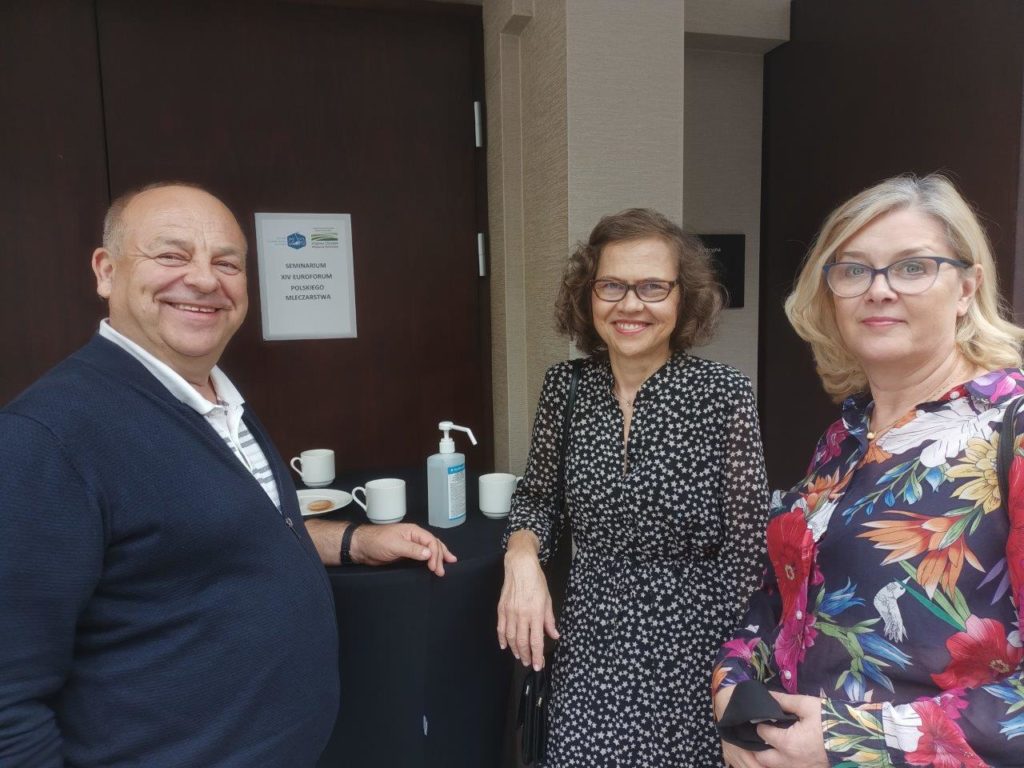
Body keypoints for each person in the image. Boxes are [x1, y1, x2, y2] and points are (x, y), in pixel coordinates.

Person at [0, 181, 455, 767]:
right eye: (172, 254)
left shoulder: (217, 399)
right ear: (106, 271)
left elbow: (214, 536)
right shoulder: (47, 437)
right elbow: (9, 701)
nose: (203, 280)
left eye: (227, 263)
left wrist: (353, 541)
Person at [712, 174, 1024, 767]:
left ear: (967, 287)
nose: (879, 290)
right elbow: (782, 603)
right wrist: (732, 683)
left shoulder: (1012, 427)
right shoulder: (844, 438)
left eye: (912, 267)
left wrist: (850, 741)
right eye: (854, 270)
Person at [497, 208, 769, 766]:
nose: (630, 304)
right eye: (612, 286)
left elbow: (748, 554)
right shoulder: (566, 388)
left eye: (652, 287)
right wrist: (522, 555)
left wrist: (740, 677)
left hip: (693, 651)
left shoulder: (724, 395)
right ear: (588, 294)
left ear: (682, 298)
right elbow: (537, 497)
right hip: (588, 643)